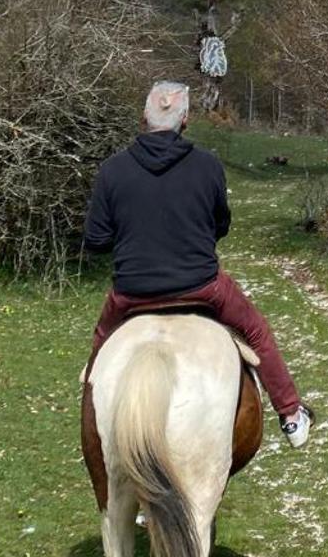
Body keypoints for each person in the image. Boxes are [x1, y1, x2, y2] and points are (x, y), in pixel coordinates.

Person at [83, 80, 313, 448]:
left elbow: (95, 242)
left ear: (144, 116)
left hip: (131, 293)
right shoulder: (207, 166)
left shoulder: (112, 170)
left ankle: (93, 417)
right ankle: (290, 415)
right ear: (186, 119)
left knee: (99, 348)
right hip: (202, 287)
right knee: (256, 332)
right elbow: (221, 225)